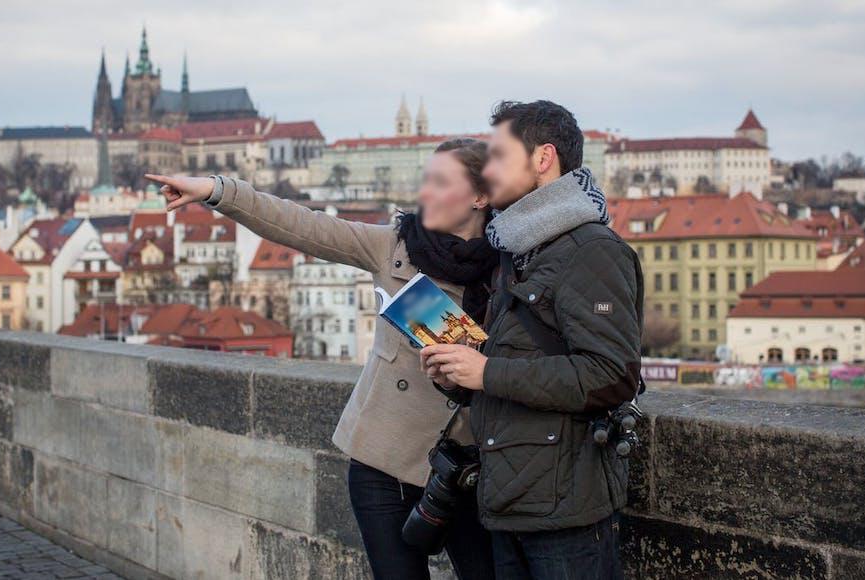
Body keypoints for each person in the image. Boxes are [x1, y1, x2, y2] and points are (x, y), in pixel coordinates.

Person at [145, 139, 498, 580]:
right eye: (426, 179)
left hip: (465, 469)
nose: (425, 192)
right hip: (383, 461)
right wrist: (217, 190)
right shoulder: (394, 245)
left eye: (441, 182)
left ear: (481, 196)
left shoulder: (507, 267)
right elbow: (301, 225)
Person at [421, 100, 643, 580]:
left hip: (566, 507)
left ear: (544, 159)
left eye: (499, 156)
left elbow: (611, 375)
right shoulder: (519, 249)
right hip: (511, 498)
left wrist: (486, 372)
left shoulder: (592, 251)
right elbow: (514, 367)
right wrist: (459, 373)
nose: (488, 171)